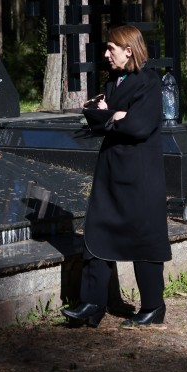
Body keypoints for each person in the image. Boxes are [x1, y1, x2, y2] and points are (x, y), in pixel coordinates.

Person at [62, 24, 171, 328]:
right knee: (97, 234)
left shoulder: (148, 82)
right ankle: (92, 304)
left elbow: (139, 127)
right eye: (107, 48)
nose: (105, 53)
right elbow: (97, 122)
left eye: (111, 48)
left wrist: (110, 115)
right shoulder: (113, 81)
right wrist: (113, 115)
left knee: (144, 240)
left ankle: (153, 307)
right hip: (111, 170)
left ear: (129, 50)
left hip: (139, 176)